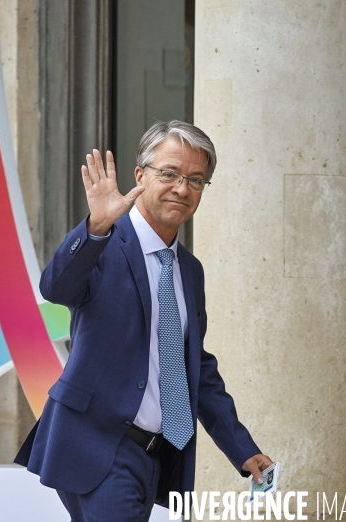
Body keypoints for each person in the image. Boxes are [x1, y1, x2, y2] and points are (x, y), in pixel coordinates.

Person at [15, 120, 272, 521]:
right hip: (96, 445)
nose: (182, 189)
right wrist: (95, 227)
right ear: (140, 176)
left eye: (196, 180)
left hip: (156, 454)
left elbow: (195, 369)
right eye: (169, 174)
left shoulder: (189, 269)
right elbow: (56, 289)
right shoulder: (104, 242)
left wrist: (242, 448)